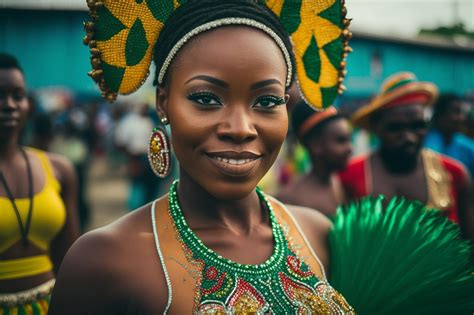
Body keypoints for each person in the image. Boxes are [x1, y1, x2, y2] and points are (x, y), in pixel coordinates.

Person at [50, 1, 474, 314]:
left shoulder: (321, 235)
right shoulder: (104, 260)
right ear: (163, 103)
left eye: (267, 100)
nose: (241, 127)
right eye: (205, 98)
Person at [339, 72, 474, 242]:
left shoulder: (455, 174)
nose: (409, 137)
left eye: (418, 126)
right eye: (395, 128)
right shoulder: (349, 175)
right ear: (376, 128)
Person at [0, 53, 80, 313]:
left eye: (18, 95)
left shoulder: (58, 169)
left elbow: (69, 259)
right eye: (0, 95)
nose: (9, 104)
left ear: (28, 104)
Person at [277, 103, 352, 217]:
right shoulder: (291, 200)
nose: (350, 148)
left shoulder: (337, 182)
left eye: (349, 140)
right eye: (341, 141)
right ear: (316, 145)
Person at [424, 93, 474, 176]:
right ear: (440, 115)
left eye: (462, 113)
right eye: (456, 112)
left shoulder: (467, 146)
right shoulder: (426, 144)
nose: (461, 118)